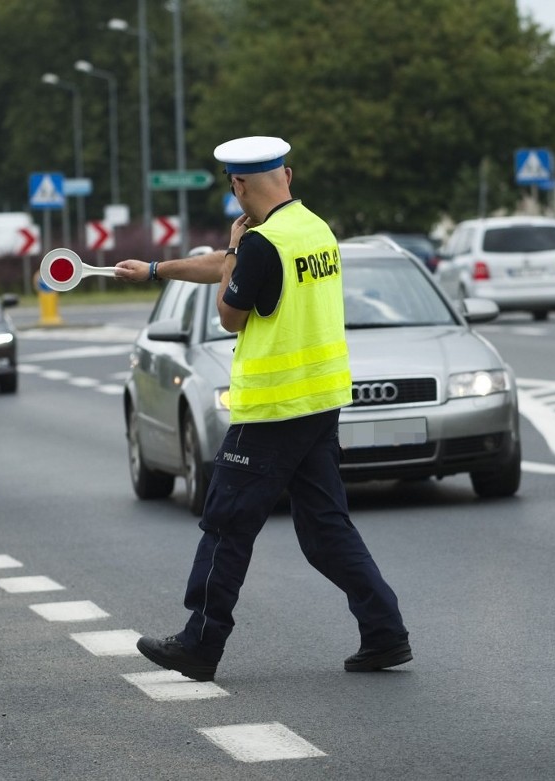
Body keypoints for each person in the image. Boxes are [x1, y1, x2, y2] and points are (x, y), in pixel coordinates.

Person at [114, 136, 411, 682]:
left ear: (239, 185)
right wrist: (156, 269)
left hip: (272, 411)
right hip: (318, 402)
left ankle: (200, 643)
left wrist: (231, 251)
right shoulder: (314, 230)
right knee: (325, 529)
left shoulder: (260, 245)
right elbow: (237, 268)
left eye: (233, 185)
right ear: (288, 176)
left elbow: (231, 314)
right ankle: (385, 631)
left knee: (227, 525)